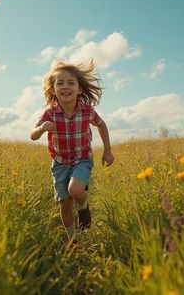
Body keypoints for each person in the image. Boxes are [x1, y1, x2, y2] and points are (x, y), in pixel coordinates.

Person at [30, 60, 114, 242]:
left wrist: (107, 151)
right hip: (59, 162)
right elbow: (33, 135)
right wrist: (42, 128)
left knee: (75, 190)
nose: (65, 87)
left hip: (82, 158)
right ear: (52, 89)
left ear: (80, 89)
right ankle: (72, 240)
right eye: (60, 83)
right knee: (65, 204)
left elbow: (102, 125)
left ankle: (83, 206)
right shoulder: (49, 114)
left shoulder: (86, 110)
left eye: (71, 83)